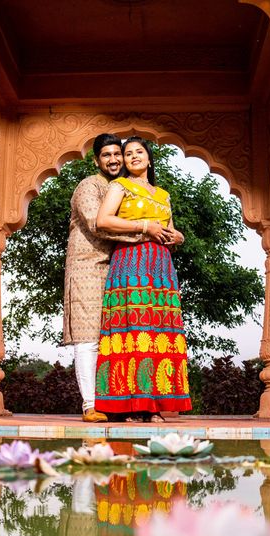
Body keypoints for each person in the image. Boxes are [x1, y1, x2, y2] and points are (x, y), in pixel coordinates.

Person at [64, 134, 171, 422]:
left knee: (117, 338)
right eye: (107, 155)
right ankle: (90, 405)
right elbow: (98, 225)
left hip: (119, 267)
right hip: (88, 267)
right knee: (88, 339)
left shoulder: (125, 187)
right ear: (97, 159)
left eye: (117, 154)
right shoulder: (89, 186)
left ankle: (118, 404)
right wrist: (147, 229)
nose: (114, 159)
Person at [93, 137, 192, 422]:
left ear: (149, 159)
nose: (133, 156)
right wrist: (144, 226)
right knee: (134, 330)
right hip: (131, 262)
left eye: (139, 152)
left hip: (160, 266)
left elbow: (170, 230)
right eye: (127, 153)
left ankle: (154, 405)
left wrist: (178, 236)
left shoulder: (163, 194)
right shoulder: (119, 186)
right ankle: (130, 406)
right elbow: (103, 221)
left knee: (157, 333)